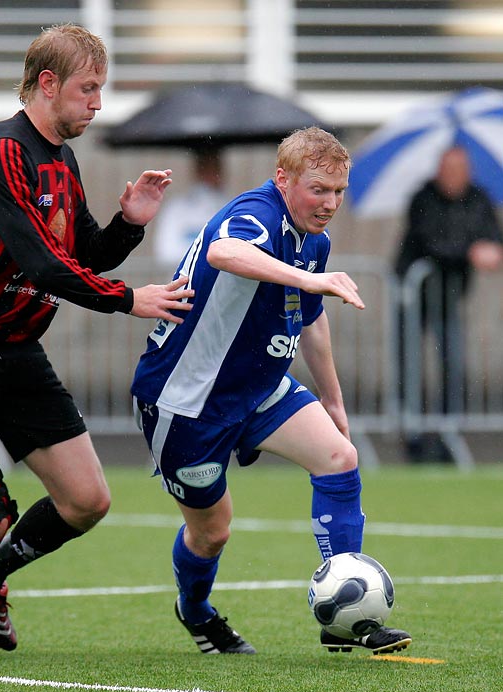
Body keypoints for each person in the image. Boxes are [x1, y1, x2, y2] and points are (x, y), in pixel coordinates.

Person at [0, 23, 193, 658]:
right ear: (48, 84)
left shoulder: (61, 156)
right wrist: (129, 301)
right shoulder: (2, 148)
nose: (99, 104)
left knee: (87, 500)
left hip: (12, 350)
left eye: (101, 90)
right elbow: (38, 263)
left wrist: (128, 225)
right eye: (89, 88)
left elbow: (80, 252)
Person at [131, 127, 412, 655]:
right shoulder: (256, 212)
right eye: (319, 190)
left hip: (259, 388)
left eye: (339, 192)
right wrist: (309, 280)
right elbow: (224, 251)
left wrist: (333, 401)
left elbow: (311, 321)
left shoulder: (315, 241)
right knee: (212, 533)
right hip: (189, 400)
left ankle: (343, 619)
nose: (330, 204)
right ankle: (195, 610)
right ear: (284, 180)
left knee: (338, 457)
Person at [395, 146, 503, 462]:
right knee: (409, 366)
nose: (454, 175)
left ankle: (447, 434)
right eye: (449, 167)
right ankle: (412, 435)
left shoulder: (478, 199)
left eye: (460, 168)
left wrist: (492, 250)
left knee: (453, 366)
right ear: (439, 169)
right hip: (414, 297)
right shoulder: (422, 199)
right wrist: (471, 251)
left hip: (451, 298)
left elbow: (492, 237)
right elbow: (431, 241)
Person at [154, 147, 228, 267]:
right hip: (183, 283)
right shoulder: (176, 208)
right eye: (207, 169)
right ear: (198, 171)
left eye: (216, 169)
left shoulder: (230, 206)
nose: (212, 175)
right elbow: (166, 251)